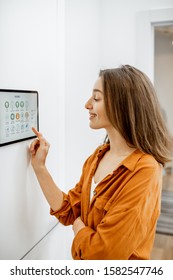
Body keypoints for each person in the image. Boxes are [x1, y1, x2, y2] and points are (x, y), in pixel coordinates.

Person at [29, 65, 172, 260]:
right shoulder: (98, 156)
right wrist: (39, 167)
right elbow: (70, 211)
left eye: (96, 98)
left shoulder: (144, 169)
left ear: (121, 105)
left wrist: (79, 227)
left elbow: (103, 255)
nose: (87, 104)